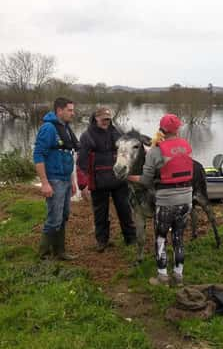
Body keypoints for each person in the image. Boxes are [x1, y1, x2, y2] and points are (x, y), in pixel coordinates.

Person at [128, 114, 193, 286]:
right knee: (178, 237)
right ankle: (178, 276)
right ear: (177, 129)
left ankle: (162, 277)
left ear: (161, 129)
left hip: (166, 201)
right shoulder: (187, 146)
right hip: (187, 198)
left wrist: (130, 177)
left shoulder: (156, 151)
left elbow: (146, 180)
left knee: (161, 238)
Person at [77, 107, 136, 252]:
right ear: (96, 118)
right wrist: (82, 185)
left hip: (119, 180)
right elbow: (81, 161)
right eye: (103, 119)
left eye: (108, 119)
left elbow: (128, 152)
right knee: (100, 214)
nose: (106, 122)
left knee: (125, 211)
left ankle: (131, 239)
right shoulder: (87, 136)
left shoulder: (117, 133)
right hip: (98, 181)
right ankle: (102, 241)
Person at [33, 97, 79, 260]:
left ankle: (60, 252)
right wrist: (45, 183)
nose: (73, 113)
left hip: (65, 179)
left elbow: (69, 154)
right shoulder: (48, 128)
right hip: (54, 180)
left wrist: (73, 181)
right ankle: (43, 255)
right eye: (70, 110)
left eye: (73, 110)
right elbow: (38, 156)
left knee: (64, 215)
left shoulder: (65, 127)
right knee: (54, 218)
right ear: (59, 110)